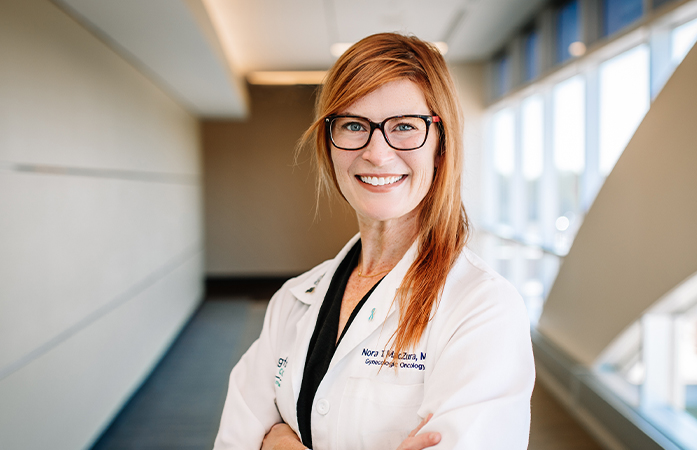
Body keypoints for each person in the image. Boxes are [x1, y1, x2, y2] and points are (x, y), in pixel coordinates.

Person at [213, 33, 535, 450]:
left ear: (440, 144)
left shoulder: (482, 306)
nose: (377, 153)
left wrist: (277, 441)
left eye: (404, 126)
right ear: (328, 144)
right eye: (353, 125)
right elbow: (233, 442)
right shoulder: (294, 300)